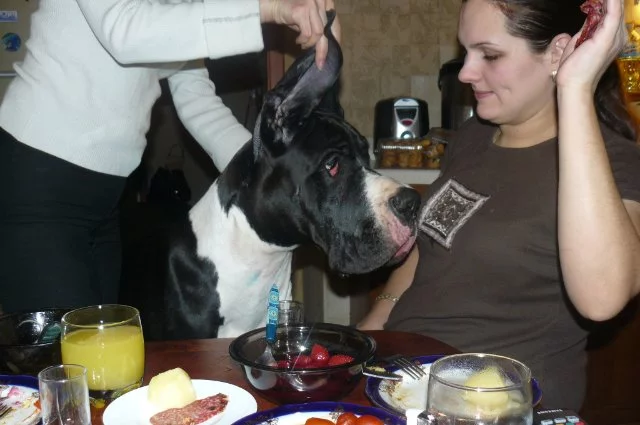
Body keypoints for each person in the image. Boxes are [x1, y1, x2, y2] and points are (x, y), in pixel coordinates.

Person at [358, 0, 640, 410]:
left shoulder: (614, 162)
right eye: (467, 51)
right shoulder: (474, 134)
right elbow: (432, 243)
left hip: (496, 404)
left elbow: (602, 299)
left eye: (489, 55)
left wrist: (575, 87)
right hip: (405, 377)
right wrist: (375, 327)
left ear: (559, 52)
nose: (466, 72)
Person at [0, 0, 341, 314]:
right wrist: (268, 8)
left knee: (101, 354)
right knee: (61, 356)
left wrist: (279, 174)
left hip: (105, 202)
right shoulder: (130, 22)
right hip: (38, 183)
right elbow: (125, 31)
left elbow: (197, 100)